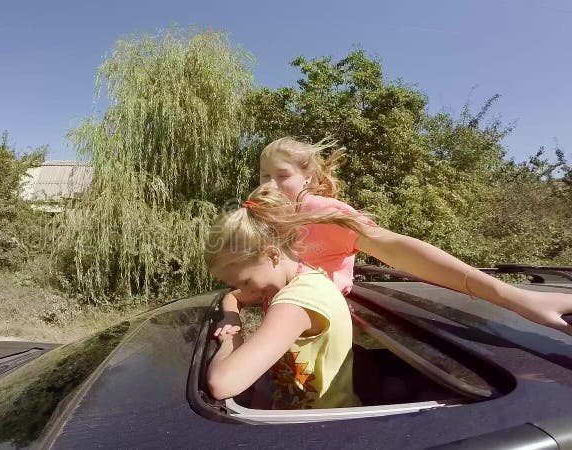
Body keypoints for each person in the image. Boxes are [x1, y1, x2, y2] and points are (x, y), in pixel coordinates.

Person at [221, 137, 572, 335]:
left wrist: (513, 297)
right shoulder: (269, 220)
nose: (268, 185)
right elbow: (246, 288)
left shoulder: (321, 210)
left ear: (308, 178)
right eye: (263, 175)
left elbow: (398, 248)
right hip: (289, 335)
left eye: (281, 175)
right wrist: (231, 315)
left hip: (330, 334)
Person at [204, 185, 366, 409]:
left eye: (246, 281)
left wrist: (232, 339)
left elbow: (222, 384)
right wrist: (231, 317)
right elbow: (234, 297)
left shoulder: (297, 302)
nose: (247, 291)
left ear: (272, 254)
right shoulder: (305, 280)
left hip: (320, 431)